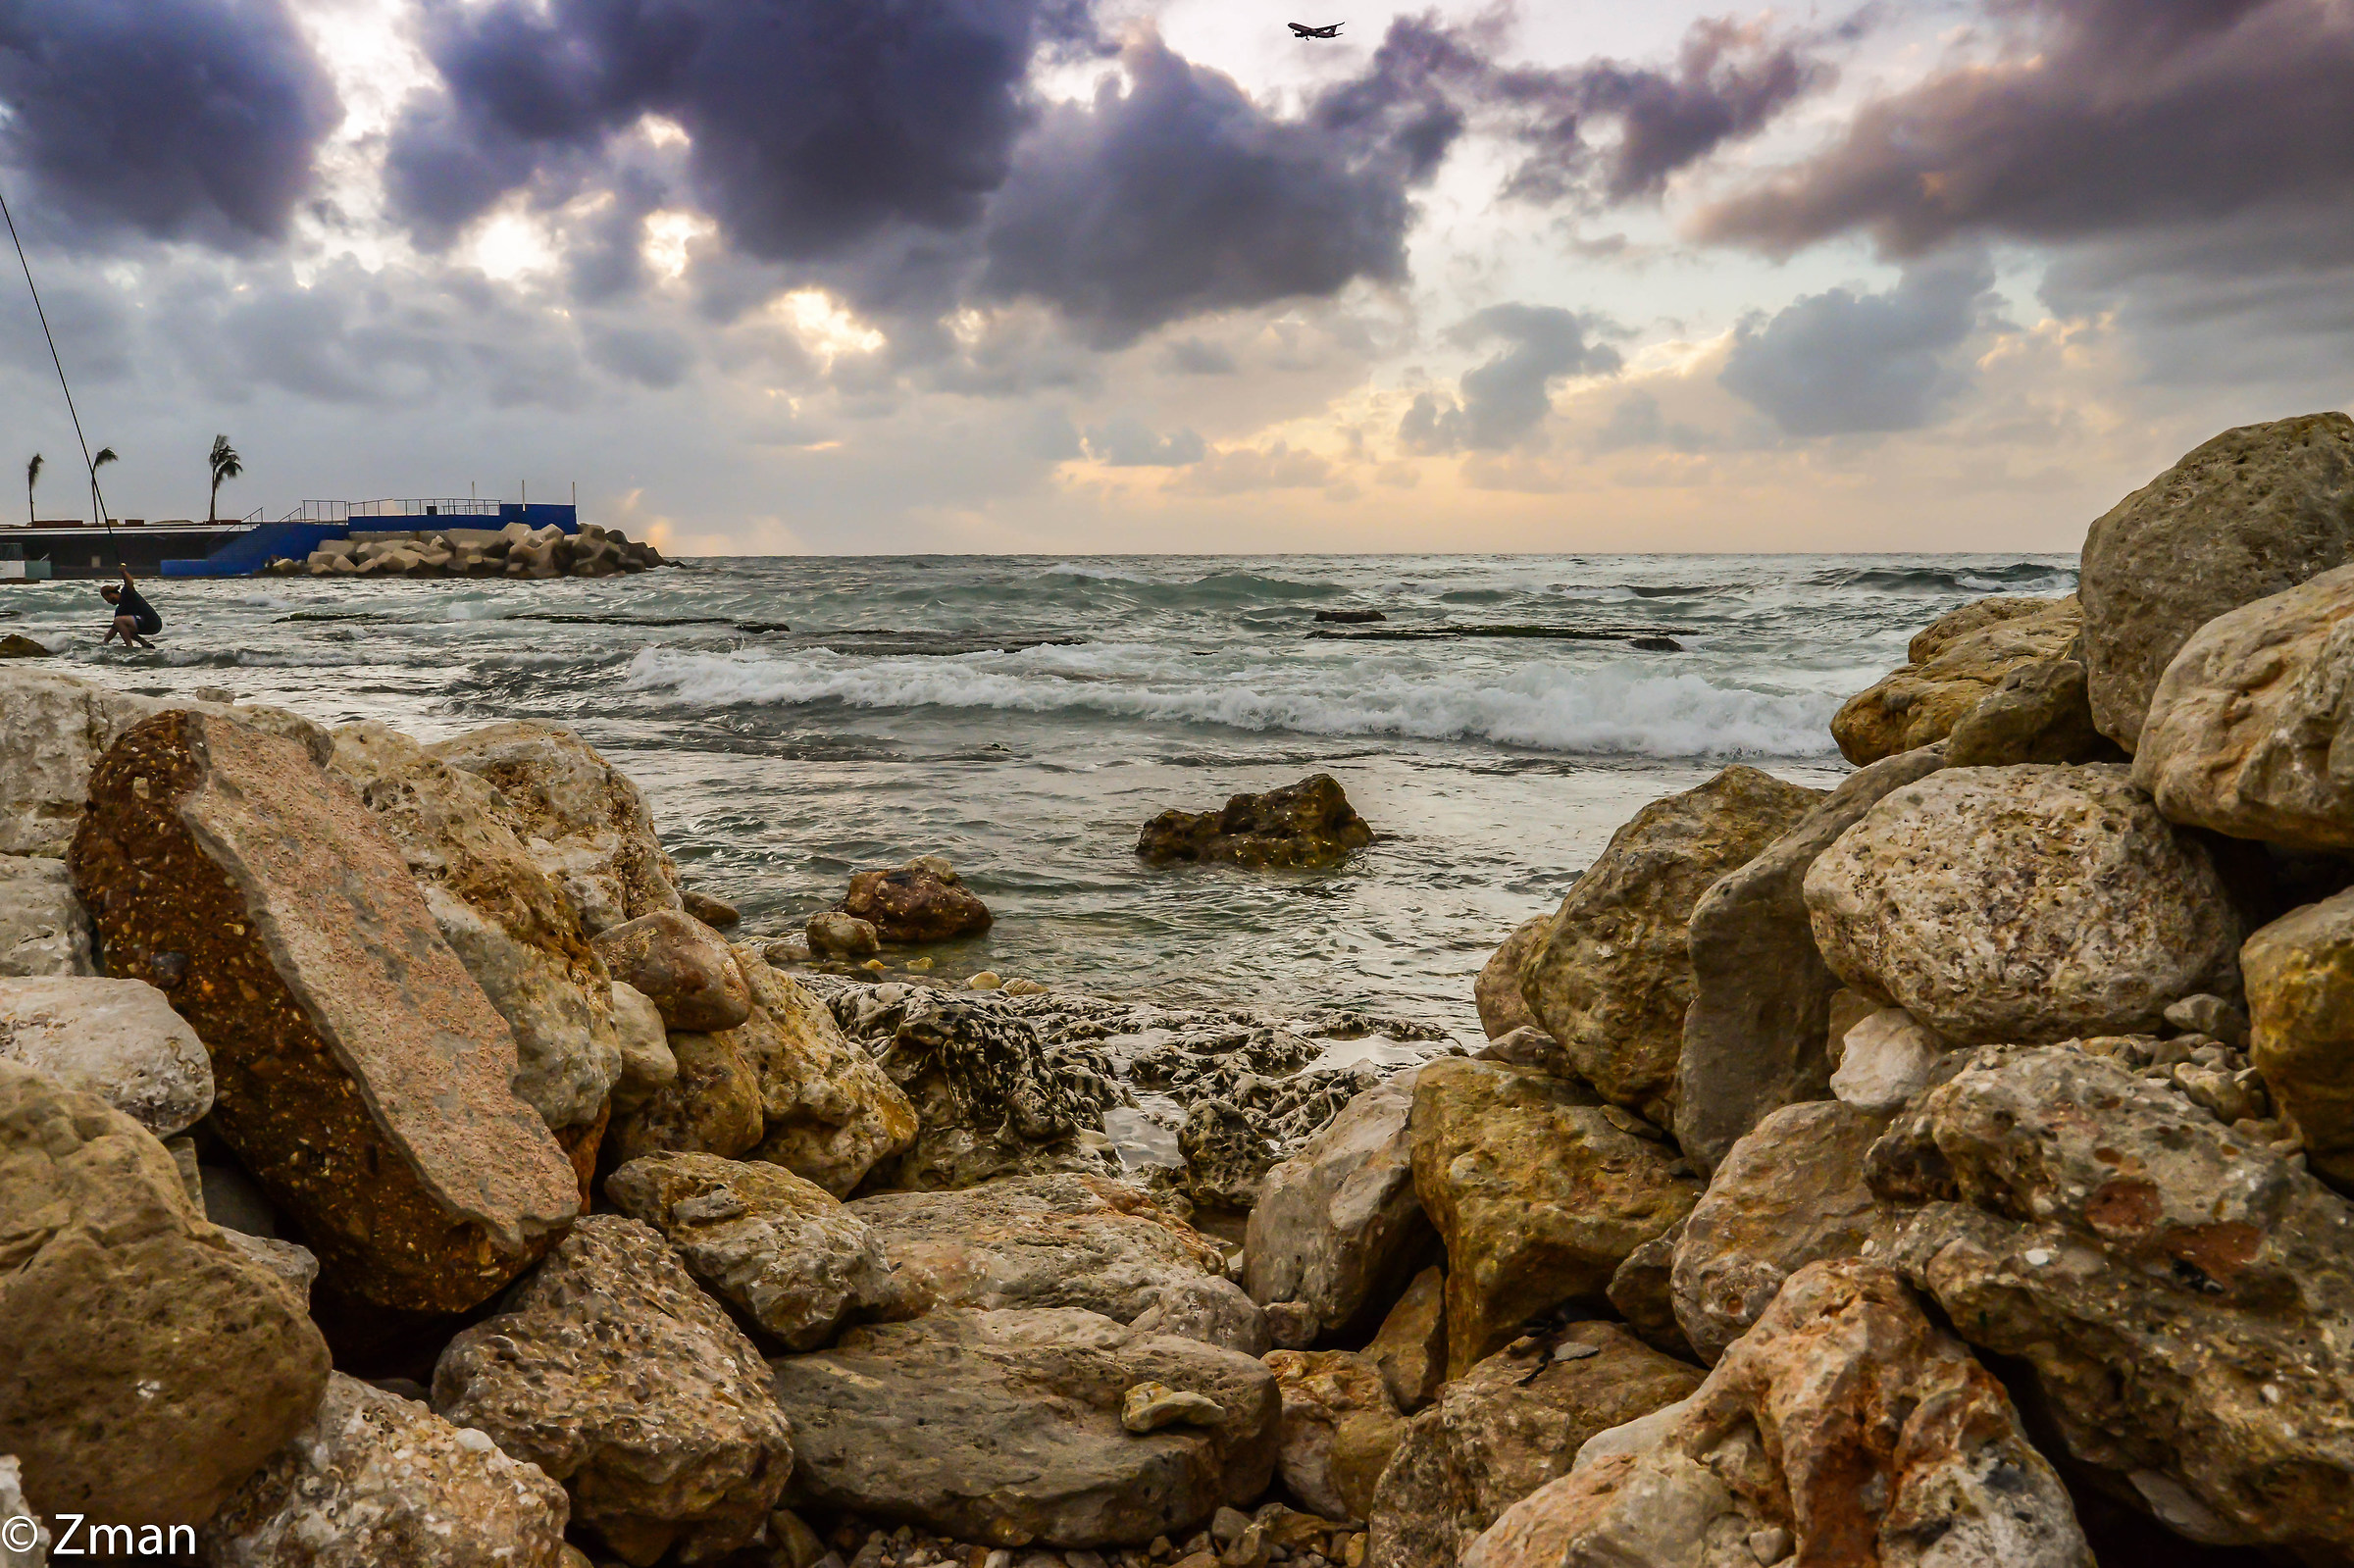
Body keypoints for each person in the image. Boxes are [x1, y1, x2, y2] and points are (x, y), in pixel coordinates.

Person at [100, 567, 160, 649]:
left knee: (119, 620)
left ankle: (129, 647)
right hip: (147, 626)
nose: (108, 602)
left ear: (112, 594)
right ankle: (146, 645)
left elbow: (130, 583)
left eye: (107, 599)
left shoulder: (126, 593)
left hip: (152, 622)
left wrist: (123, 571)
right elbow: (114, 629)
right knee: (122, 627)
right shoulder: (119, 610)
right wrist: (105, 642)